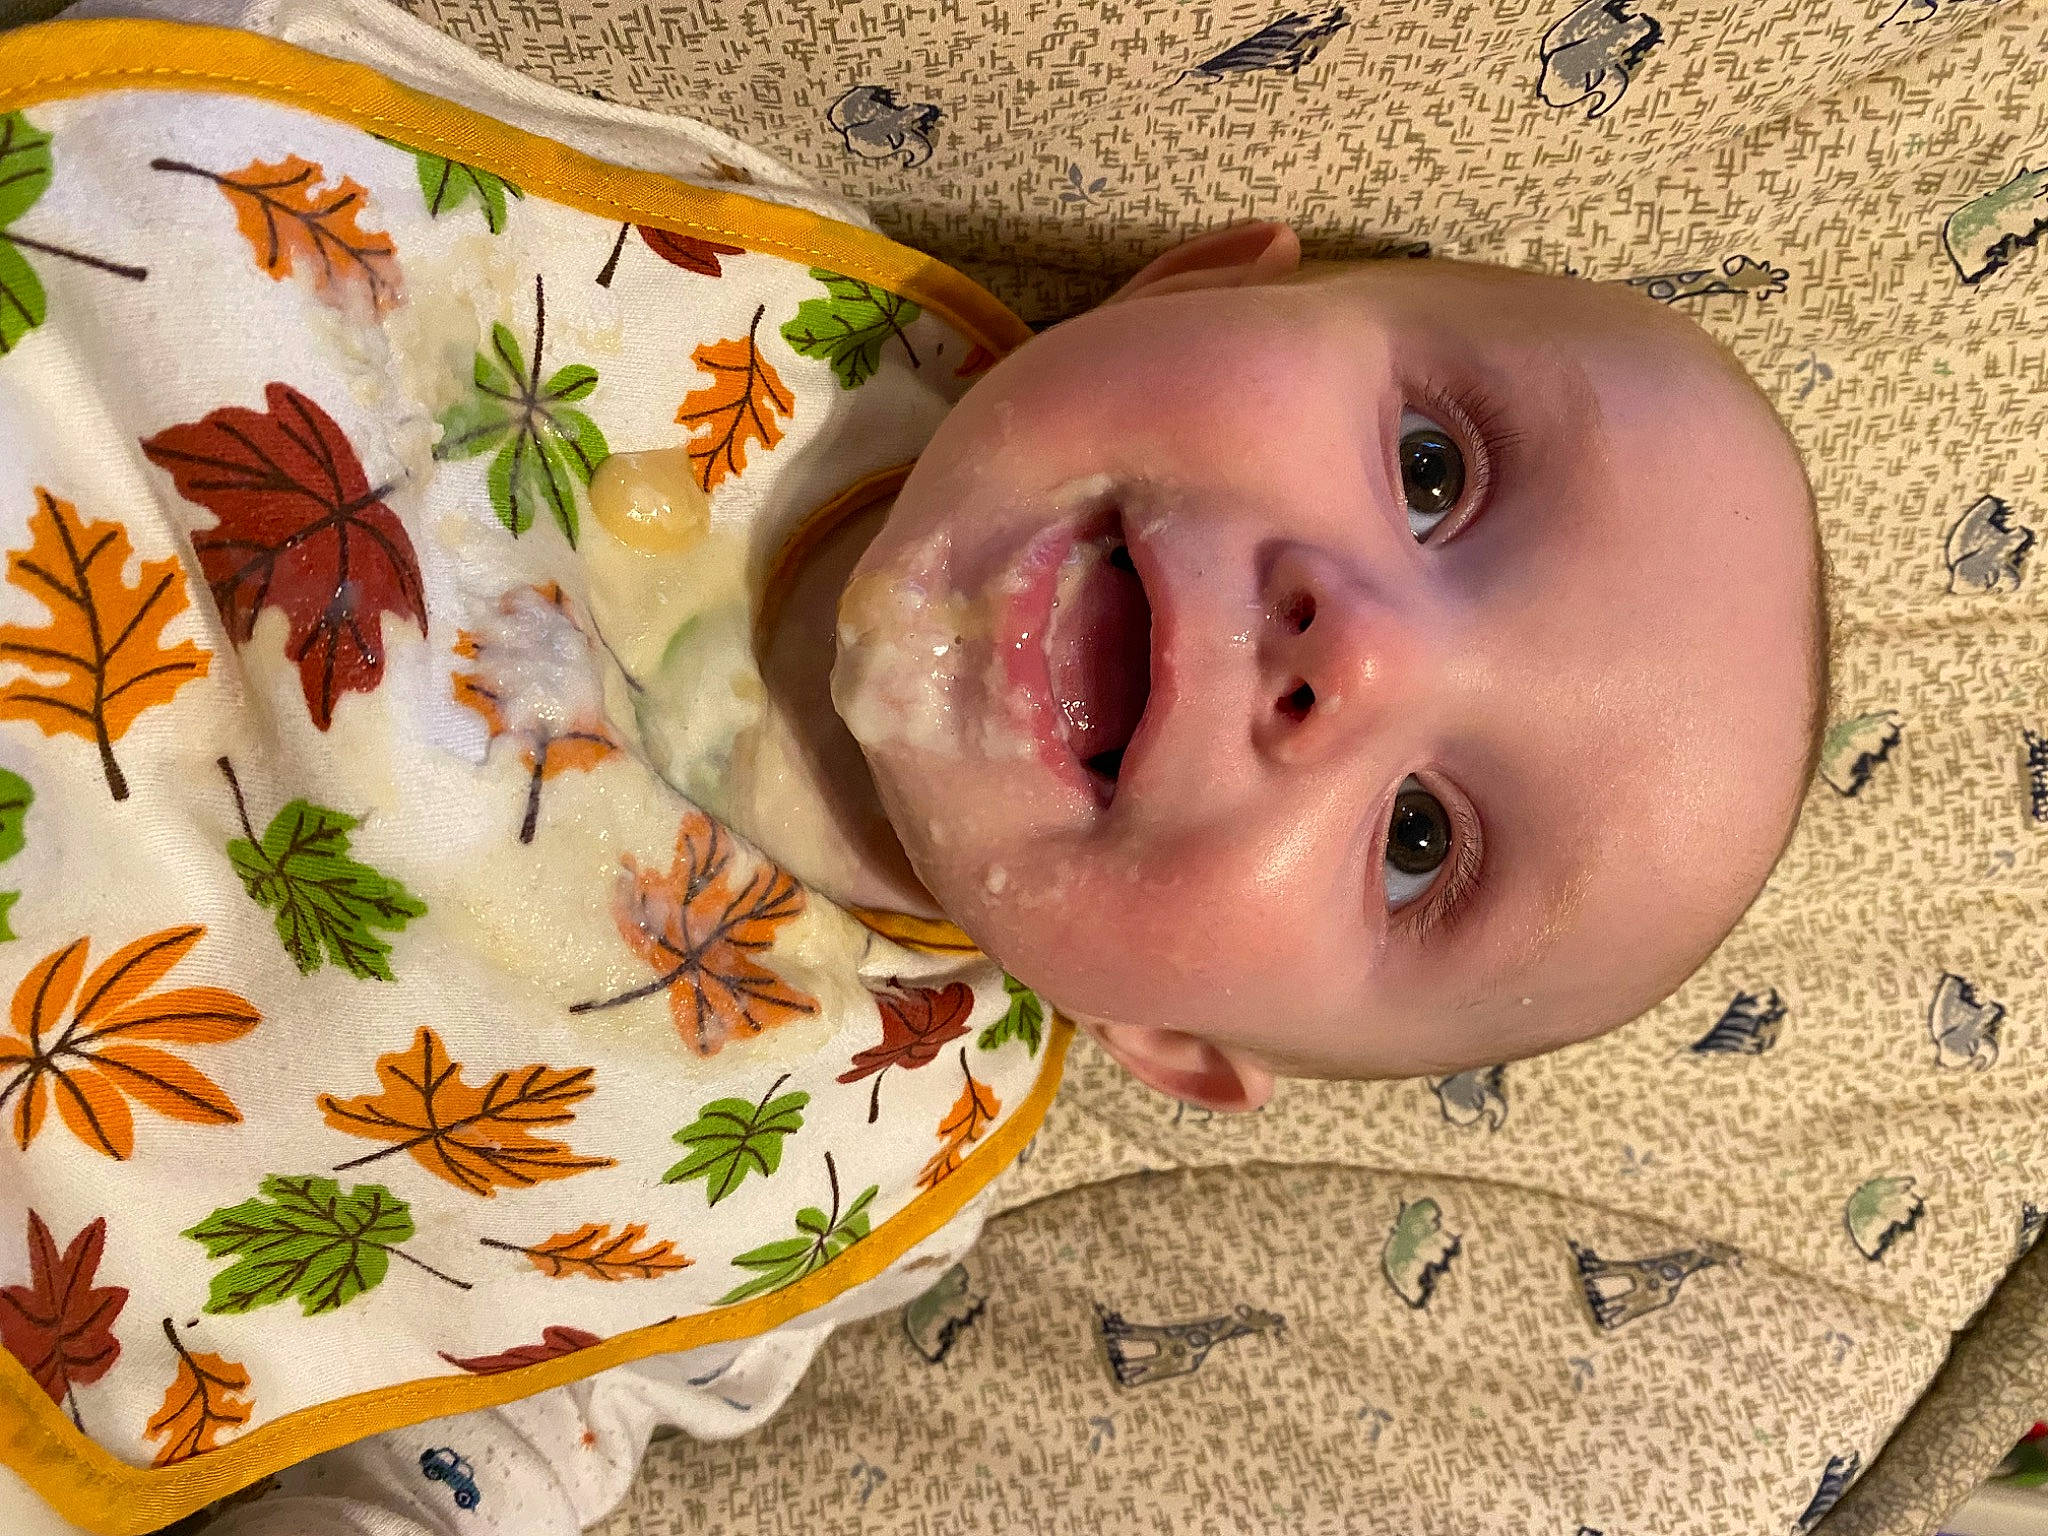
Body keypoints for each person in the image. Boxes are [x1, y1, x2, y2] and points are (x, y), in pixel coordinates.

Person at [0, 2, 1823, 1533]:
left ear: (1176, 1043)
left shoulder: (850, 1173)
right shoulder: (715, 292)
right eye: (1432, 473)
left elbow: (509, 1407)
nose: (1354, 654)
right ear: (1186, 291)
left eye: (1422, 838)